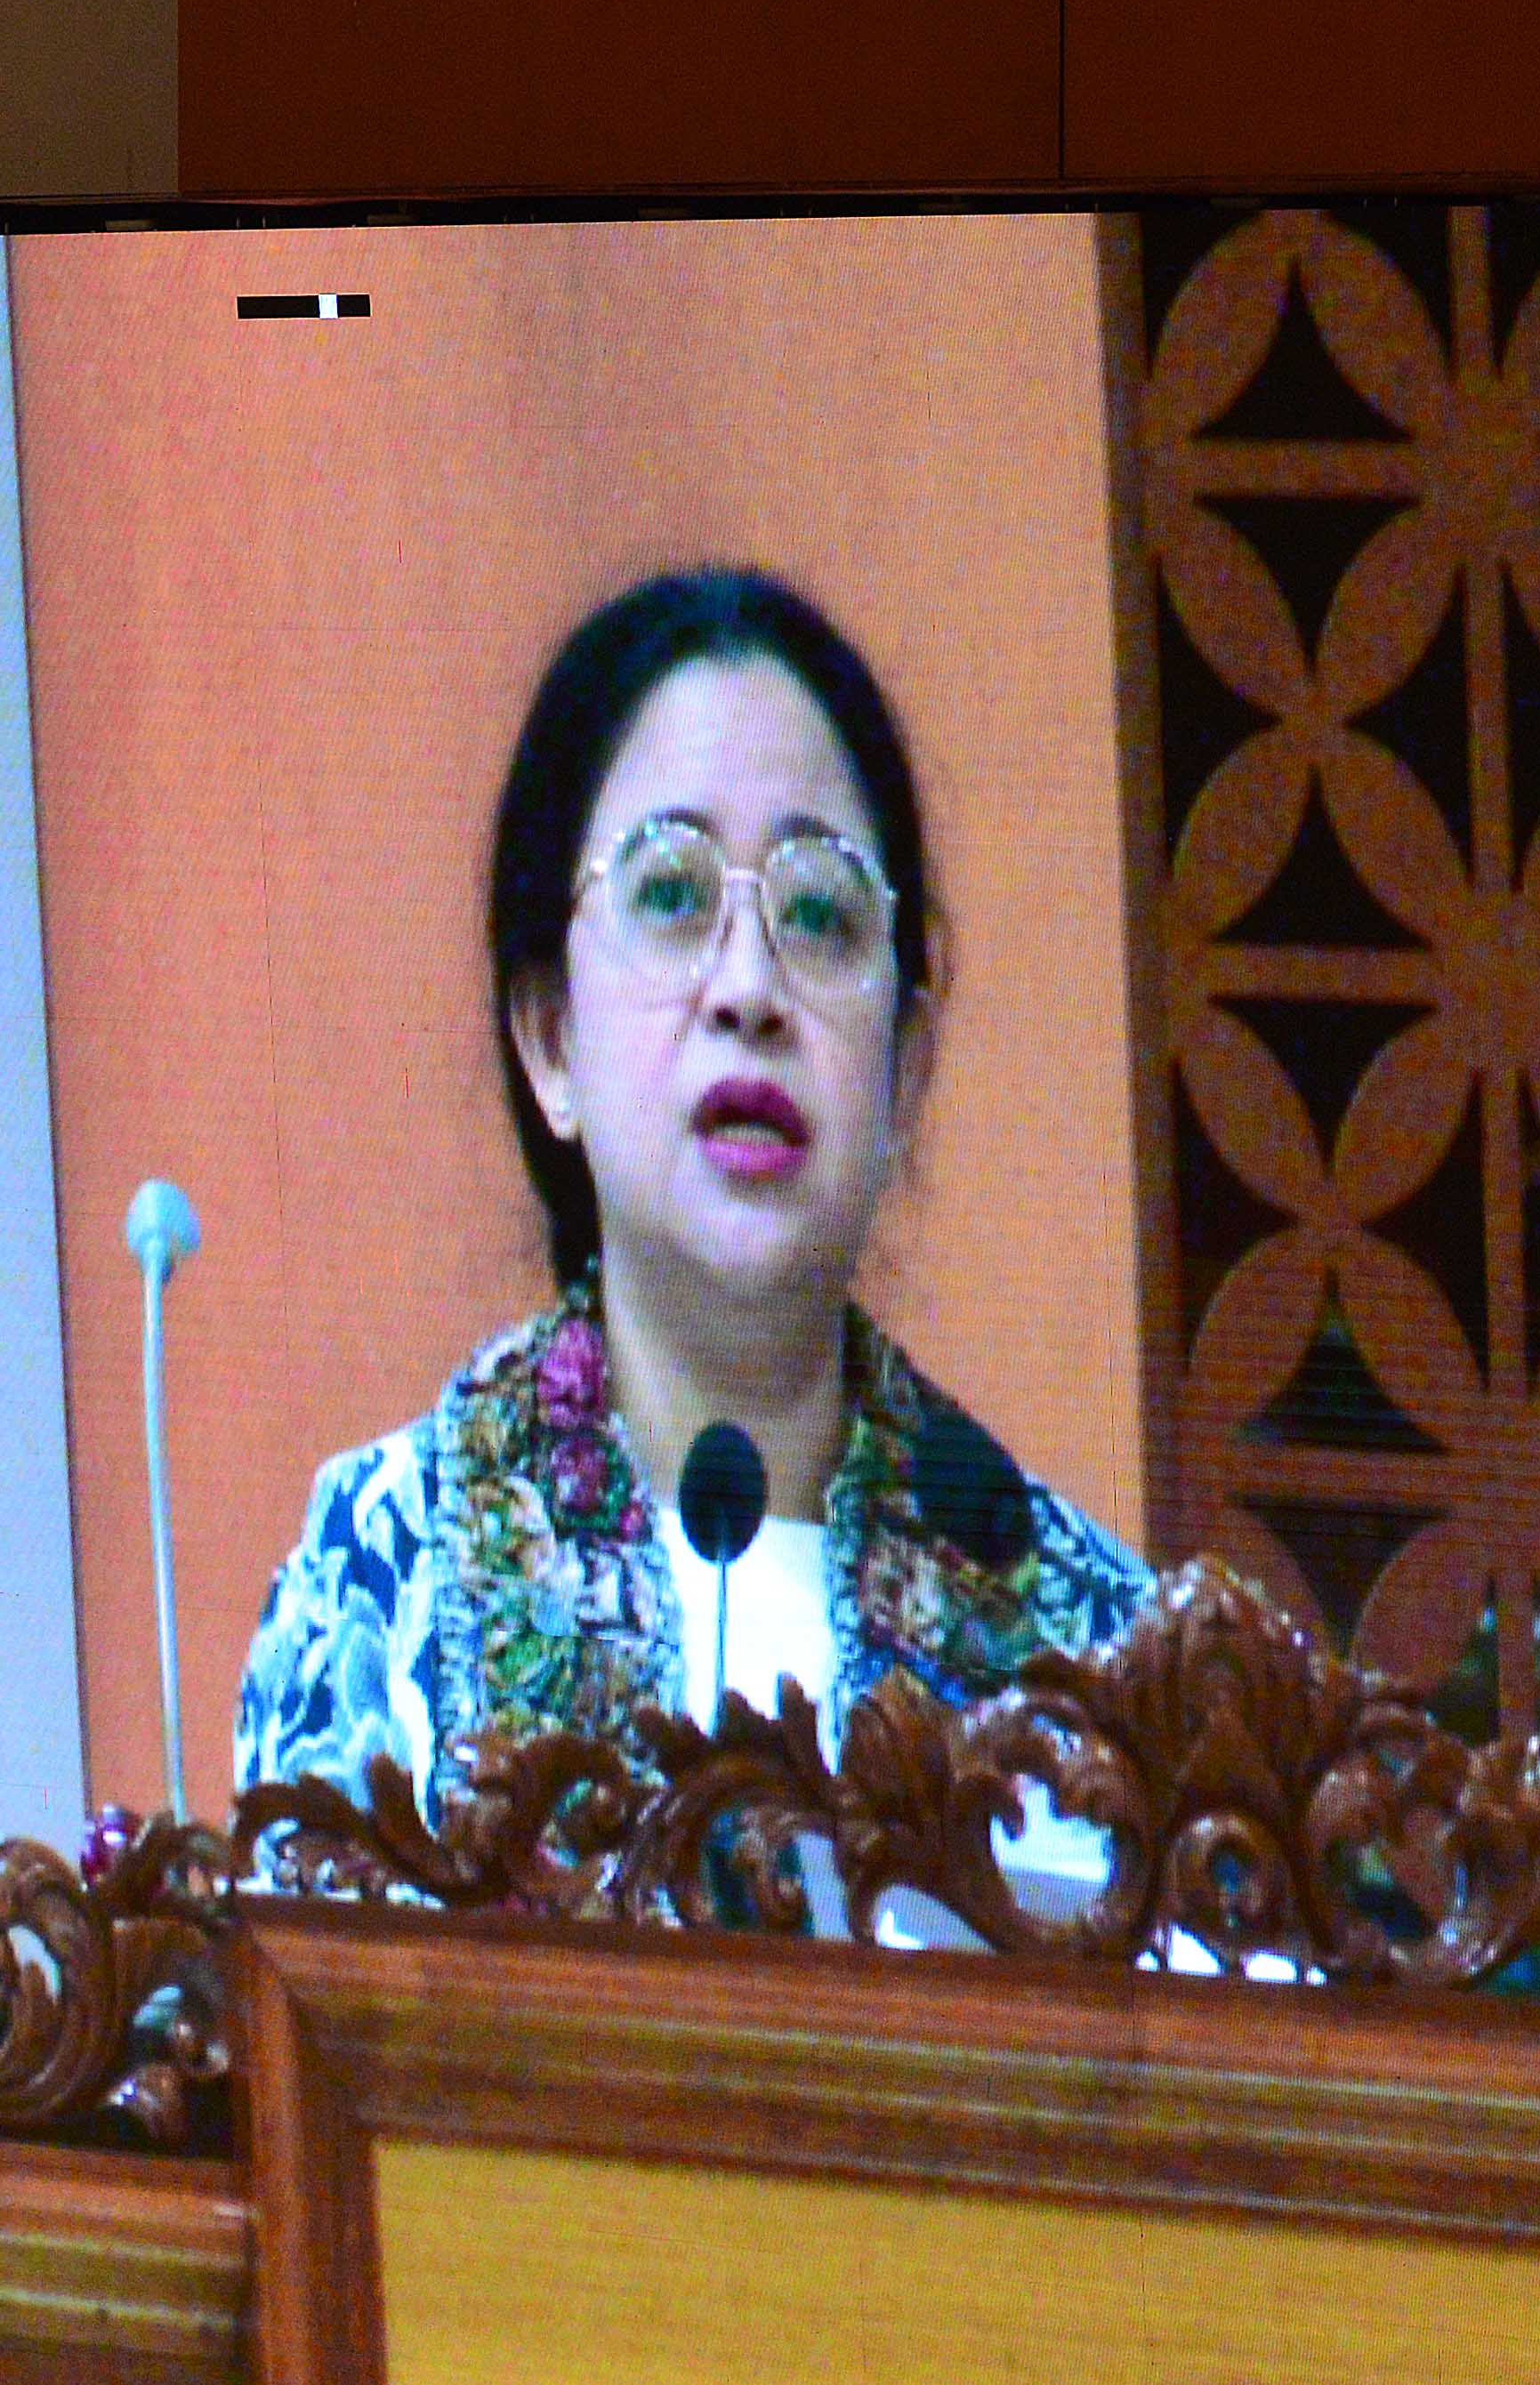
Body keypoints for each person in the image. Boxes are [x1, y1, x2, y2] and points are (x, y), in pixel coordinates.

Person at [238, 565, 1149, 1808]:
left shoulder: (1093, 1640)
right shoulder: (384, 1581)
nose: (749, 989)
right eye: (669, 896)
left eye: (818, 913)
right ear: (550, 1039)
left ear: (907, 1068)